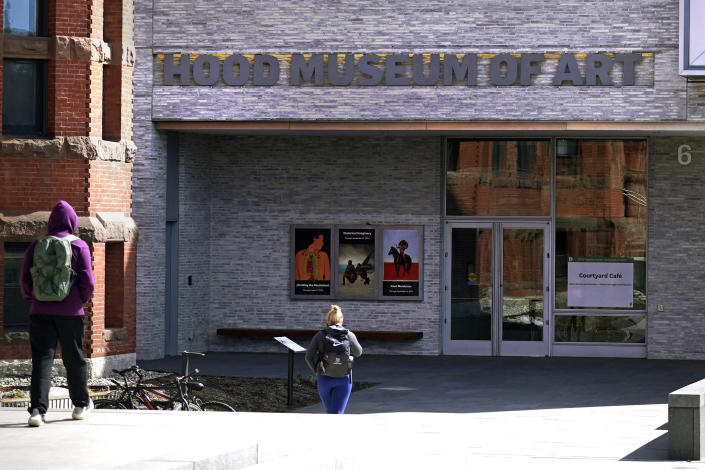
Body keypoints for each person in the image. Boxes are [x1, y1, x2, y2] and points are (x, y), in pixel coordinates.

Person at [20, 200, 96, 427]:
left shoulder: (36, 245)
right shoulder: (79, 246)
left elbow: (25, 278)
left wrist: (33, 298)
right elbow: (88, 281)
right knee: (73, 358)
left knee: (42, 360)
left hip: (40, 311)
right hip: (71, 311)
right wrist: (78, 300)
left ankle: (37, 411)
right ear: (72, 221)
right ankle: (80, 405)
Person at [305, 305, 363, 414]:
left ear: (328, 321)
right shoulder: (349, 334)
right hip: (344, 378)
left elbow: (308, 357)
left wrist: (317, 371)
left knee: (330, 412)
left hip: (324, 378)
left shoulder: (320, 335)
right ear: (341, 320)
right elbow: (359, 353)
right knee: (336, 413)